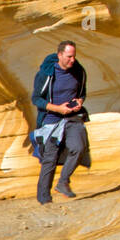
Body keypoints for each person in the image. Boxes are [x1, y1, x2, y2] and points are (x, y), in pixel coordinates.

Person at [30, 40, 91, 205]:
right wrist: (57, 108)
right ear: (60, 55)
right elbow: (36, 99)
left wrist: (79, 101)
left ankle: (63, 181)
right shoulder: (46, 73)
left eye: (74, 56)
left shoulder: (79, 71)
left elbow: (82, 92)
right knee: (50, 159)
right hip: (51, 120)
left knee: (79, 147)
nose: (72, 60)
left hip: (72, 117)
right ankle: (44, 199)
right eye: (69, 57)